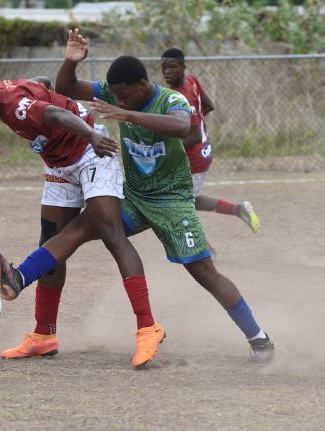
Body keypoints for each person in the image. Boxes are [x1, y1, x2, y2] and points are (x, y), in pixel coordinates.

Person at [53, 28, 275, 362]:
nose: (119, 101)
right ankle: (26, 283)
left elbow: (182, 127)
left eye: (125, 95)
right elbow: (66, 87)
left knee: (204, 273)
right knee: (82, 228)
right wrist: (70, 62)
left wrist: (128, 114)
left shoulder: (172, 99)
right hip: (135, 197)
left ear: (143, 85)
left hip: (172, 200)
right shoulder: (117, 94)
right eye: (116, 97)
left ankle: (259, 339)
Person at [0, 70, 166, 368]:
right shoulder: (3, 92)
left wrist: (92, 136)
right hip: (60, 165)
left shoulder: (15, 108)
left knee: (112, 234)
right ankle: (43, 335)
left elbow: (55, 113)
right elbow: (43, 83)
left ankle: (147, 326)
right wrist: (44, 88)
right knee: (49, 244)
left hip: (91, 152)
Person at [160, 48, 260, 250]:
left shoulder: (180, 96)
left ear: (182, 67)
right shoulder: (191, 80)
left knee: (178, 204)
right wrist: (195, 122)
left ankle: (205, 249)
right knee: (190, 200)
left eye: (172, 67)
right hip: (203, 151)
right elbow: (209, 105)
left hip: (193, 158)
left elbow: (194, 135)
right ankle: (238, 210)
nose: (167, 72)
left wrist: (165, 147)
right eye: (164, 67)